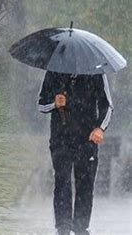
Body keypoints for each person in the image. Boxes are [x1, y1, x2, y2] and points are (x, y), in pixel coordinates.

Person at [38, 71, 113, 235]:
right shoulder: (54, 71)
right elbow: (41, 104)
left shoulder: (96, 71)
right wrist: (54, 103)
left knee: (85, 184)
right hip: (60, 139)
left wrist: (100, 128)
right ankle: (63, 227)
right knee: (62, 180)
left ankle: (80, 227)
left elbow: (107, 105)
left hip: (87, 139)